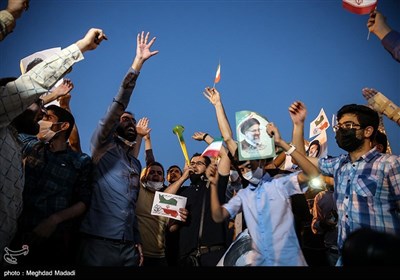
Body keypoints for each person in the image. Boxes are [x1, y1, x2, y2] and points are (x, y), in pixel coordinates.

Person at [0, 27, 106, 257]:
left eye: (47, 114)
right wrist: (81, 46)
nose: (42, 113)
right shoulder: (25, 143)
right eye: (39, 105)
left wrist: (54, 220)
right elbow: (24, 92)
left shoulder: (15, 143)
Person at [203, 87, 320, 266]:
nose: (245, 168)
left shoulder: (280, 181)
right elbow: (227, 139)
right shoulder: (244, 191)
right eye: (242, 166)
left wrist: (287, 136)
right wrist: (218, 104)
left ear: (264, 158)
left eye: (250, 163)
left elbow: (309, 170)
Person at [77, 31, 158, 267]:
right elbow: (118, 104)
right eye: (124, 120)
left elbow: (130, 206)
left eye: (132, 121)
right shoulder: (102, 145)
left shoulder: (134, 164)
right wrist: (137, 64)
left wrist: (136, 239)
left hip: (128, 248)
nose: (130, 122)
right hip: (98, 244)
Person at [305, 103, 400, 266]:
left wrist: (395, 114)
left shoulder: (390, 165)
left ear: (368, 131)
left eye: (348, 125)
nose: (341, 130)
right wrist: (298, 125)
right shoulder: (339, 164)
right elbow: (304, 160)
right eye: (339, 126)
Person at [11, 105, 92, 265]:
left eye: (48, 118)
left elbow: (83, 201)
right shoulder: (31, 146)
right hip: (18, 233)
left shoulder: (80, 161)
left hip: (54, 239)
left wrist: (54, 220)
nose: (42, 121)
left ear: (63, 126)